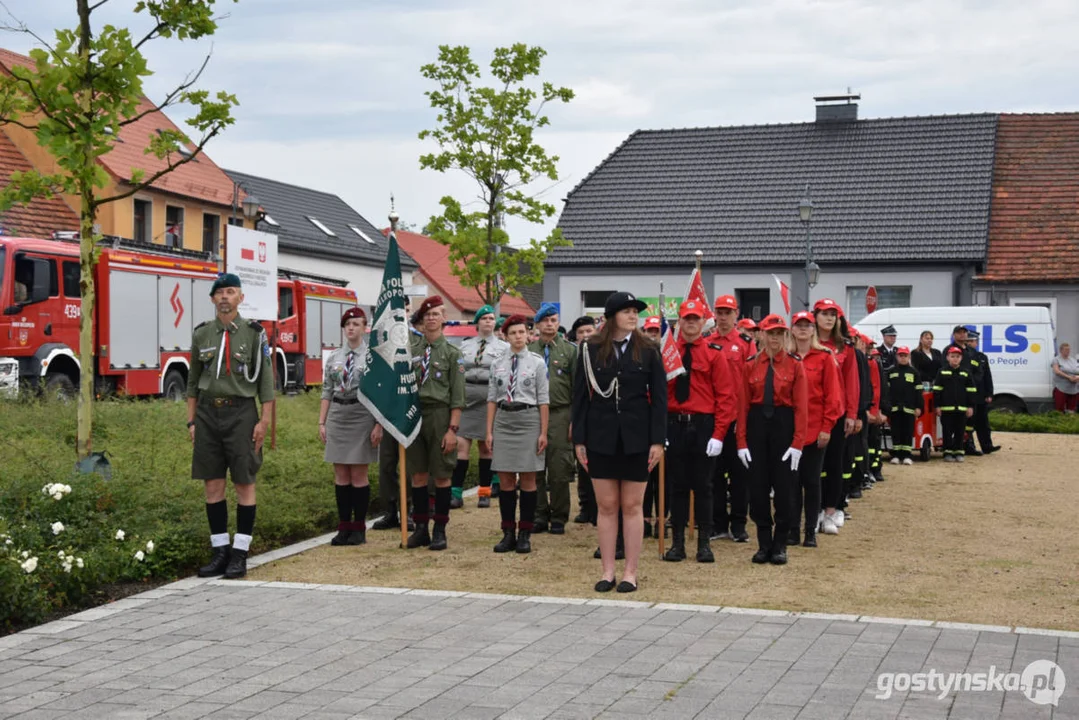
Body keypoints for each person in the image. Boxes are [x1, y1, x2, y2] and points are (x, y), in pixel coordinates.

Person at [573, 291, 666, 593]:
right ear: (612, 316)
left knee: (632, 504)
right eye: (626, 311)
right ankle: (608, 570)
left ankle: (631, 572)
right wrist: (579, 439)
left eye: (635, 311)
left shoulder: (649, 349)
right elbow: (580, 398)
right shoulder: (590, 349)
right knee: (607, 505)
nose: (632, 316)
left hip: (637, 438)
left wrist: (657, 441)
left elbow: (660, 400)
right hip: (600, 437)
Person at [187, 273, 274, 580]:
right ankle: (219, 551)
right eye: (220, 292)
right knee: (213, 485)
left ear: (241, 298)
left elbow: (265, 381)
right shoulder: (202, 334)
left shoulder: (254, 333)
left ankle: (240, 553)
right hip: (209, 415)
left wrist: (264, 421)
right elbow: (193, 382)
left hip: (241, 414)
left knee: (243, 483)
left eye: (231, 292)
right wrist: (192, 420)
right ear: (212, 299)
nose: (225, 297)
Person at [662, 299, 737, 563]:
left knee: (704, 487)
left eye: (696, 319)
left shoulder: (714, 353)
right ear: (679, 322)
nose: (691, 323)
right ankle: (677, 544)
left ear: (703, 322)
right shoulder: (668, 354)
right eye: (687, 318)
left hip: (704, 426)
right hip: (675, 425)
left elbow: (725, 398)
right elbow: (661, 395)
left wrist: (718, 435)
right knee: (677, 487)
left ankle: (704, 543)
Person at [737, 314, 807, 565]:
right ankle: (763, 544)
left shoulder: (795, 364)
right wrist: (741, 442)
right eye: (771, 333)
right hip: (757, 426)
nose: (775, 338)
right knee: (757, 491)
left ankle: (780, 545)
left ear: (785, 336)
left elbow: (801, 407)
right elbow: (743, 406)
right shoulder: (750, 364)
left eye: (780, 333)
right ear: (762, 335)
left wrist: (798, 442)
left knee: (786, 491)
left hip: (783, 426)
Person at [405, 296, 465, 551]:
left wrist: (452, 430)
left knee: (441, 475)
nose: (431, 318)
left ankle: (440, 529)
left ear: (443, 319)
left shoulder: (453, 354)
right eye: (427, 315)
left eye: (436, 314)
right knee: (417, 474)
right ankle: (421, 529)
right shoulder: (412, 351)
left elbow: (458, 397)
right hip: (414, 414)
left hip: (440, 416)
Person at [486, 314, 549, 554]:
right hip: (504, 420)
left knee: (529, 480)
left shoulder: (537, 362)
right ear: (505, 335)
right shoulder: (497, 363)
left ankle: (525, 533)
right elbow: (492, 398)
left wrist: (543, 432)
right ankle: (508, 532)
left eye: (522, 332)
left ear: (529, 334)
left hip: (528, 420)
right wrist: (489, 431)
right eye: (513, 333)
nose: (518, 337)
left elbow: (544, 400)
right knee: (506, 481)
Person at [319, 307, 381, 546]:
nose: (351, 328)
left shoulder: (372, 357)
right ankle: (343, 526)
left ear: (365, 328)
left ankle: (359, 528)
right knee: (340, 473)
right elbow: (326, 390)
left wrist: (378, 424)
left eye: (356, 324)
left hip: (362, 414)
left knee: (358, 473)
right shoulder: (334, 357)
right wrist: (322, 421)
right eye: (348, 324)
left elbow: (378, 392)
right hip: (337, 414)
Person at [788, 311, 843, 548]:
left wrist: (827, 427)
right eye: (798, 325)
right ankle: (791, 530)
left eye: (807, 325)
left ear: (813, 330)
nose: (802, 329)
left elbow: (833, 397)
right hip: (789, 432)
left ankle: (810, 530)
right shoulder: (784, 356)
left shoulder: (824, 358)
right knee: (790, 484)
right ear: (791, 329)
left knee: (811, 482)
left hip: (814, 431)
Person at [529, 303, 577, 535]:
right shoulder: (528, 351)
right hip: (533, 414)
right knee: (535, 467)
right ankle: (539, 514)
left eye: (554, 320)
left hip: (560, 413)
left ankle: (559, 516)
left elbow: (578, 388)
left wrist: (574, 420)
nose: (550, 324)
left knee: (559, 468)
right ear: (537, 324)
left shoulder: (570, 351)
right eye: (545, 320)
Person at [454, 305, 509, 509]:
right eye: (484, 318)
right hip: (467, 396)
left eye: (491, 318)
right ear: (477, 322)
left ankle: (484, 492)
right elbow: (458, 369)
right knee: (461, 446)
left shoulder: (503, 348)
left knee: (486, 447)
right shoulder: (465, 345)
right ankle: (456, 493)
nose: (488, 321)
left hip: (489, 396)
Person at [711, 295, 753, 543]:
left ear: (737, 314)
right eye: (720, 312)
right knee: (714, 474)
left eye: (728, 312)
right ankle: (718, 524)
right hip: (715, 419)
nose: (724, 317)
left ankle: (738, 525)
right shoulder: (707, 342)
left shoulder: (746, 343)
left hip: (739, 418)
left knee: (740, 476)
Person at [814, 299, 858, 535]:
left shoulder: (846, 348)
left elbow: (852, 383)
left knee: (834, 463)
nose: (829, 318)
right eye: (824, 314)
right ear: (815, 317)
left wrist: (852, 413)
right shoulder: (806, 344)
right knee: (811, 466)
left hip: (836, 414)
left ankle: (831, 510)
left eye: (833, 314)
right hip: (811, 413)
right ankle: (813, 510)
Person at [570, 316, 598, 525]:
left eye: (589, 331)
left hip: (597, 416)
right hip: (576, 414)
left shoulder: (600, 355)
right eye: (581, 332)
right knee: (581, 463)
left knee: (597, 464)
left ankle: (598, 507)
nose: (586, 335)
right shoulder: (571, 355)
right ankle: (585, 505)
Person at [934, 345, 976, 462]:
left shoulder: (966, 373)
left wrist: (971, 407)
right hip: (946, 409)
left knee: (960, 431)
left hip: (962, 409)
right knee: (947, 431)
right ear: (947, 357)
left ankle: (959, 452)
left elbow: (971, 391)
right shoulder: (942, 372)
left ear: (961, 358)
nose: (955, 359)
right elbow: (937, 390)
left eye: (957, 356)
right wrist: (937, 406)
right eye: (952, 356)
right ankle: (947, 452)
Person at [965, 330, 1000, 454]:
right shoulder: (965, 356)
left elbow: (987, 377)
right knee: (969, 423)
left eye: (972, 341)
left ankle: (987, 445)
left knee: (983, 423)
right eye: (968, 341)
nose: (970, 343)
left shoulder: (982, 357)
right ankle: (970, 447)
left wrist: (989, 393)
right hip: (969, 395)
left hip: (981, 395)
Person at [885, 347, 922, 465]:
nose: (903, 358)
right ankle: (896, 455)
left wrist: (919, 407)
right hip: (894, 409)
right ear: (897, 357)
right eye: (900, 355)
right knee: (896, 431)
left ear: (909, 357)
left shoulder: (914, 372)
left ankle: (907, 455)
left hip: (909, 409)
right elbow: (886, 391)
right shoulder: (890, 372)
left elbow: (918, 392)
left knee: (908, 431)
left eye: (905, 355)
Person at [1052, 343, 1079, 412]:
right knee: (1060, 410)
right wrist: (1069, 377)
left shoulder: (1073, 360)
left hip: (1074, 389)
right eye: (1066, 349)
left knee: (1071, 410)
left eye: (1069, 349)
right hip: (1061, 388)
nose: (1068, 351)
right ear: (1061, 350)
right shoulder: (1056, 359)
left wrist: (1077, 377)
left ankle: (1069, 421)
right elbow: (1057, 371)